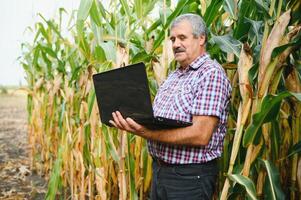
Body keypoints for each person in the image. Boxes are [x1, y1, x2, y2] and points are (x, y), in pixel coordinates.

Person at [110, 13, 232, 200]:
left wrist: (146, 133)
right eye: (173, 39)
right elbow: (157, 118)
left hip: (189, 179)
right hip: (160, 172)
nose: (175, 44)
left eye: (182, 37)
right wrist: (130, 117)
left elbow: (200, 135)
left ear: (201, 39)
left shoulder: (210, 74)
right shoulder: (173, 77)